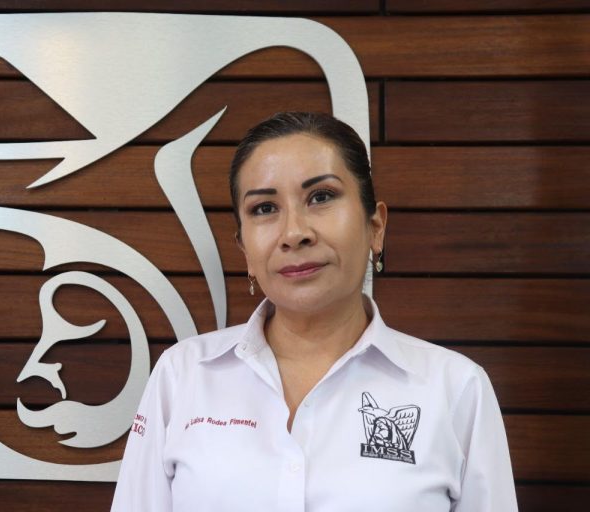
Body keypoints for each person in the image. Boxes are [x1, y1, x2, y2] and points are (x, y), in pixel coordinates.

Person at [111, 112, 518, 511]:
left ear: (375, 227)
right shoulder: (181, 376)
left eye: (321, 197)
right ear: (245, 250)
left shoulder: (456, 389)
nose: (294, 233)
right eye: (264, 208)